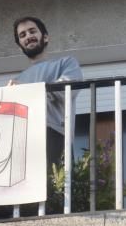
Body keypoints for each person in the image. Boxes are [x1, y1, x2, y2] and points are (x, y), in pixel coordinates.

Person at [9, 16, 83, 177]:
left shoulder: (66, 63)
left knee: (57, 195)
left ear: (46, 37)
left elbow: (68, 90)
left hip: (55, 134)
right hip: (26, 142)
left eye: (32, 31)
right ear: (20, 47)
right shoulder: (18, 80)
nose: (28, 36)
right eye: (22, 35)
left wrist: (27, 92)